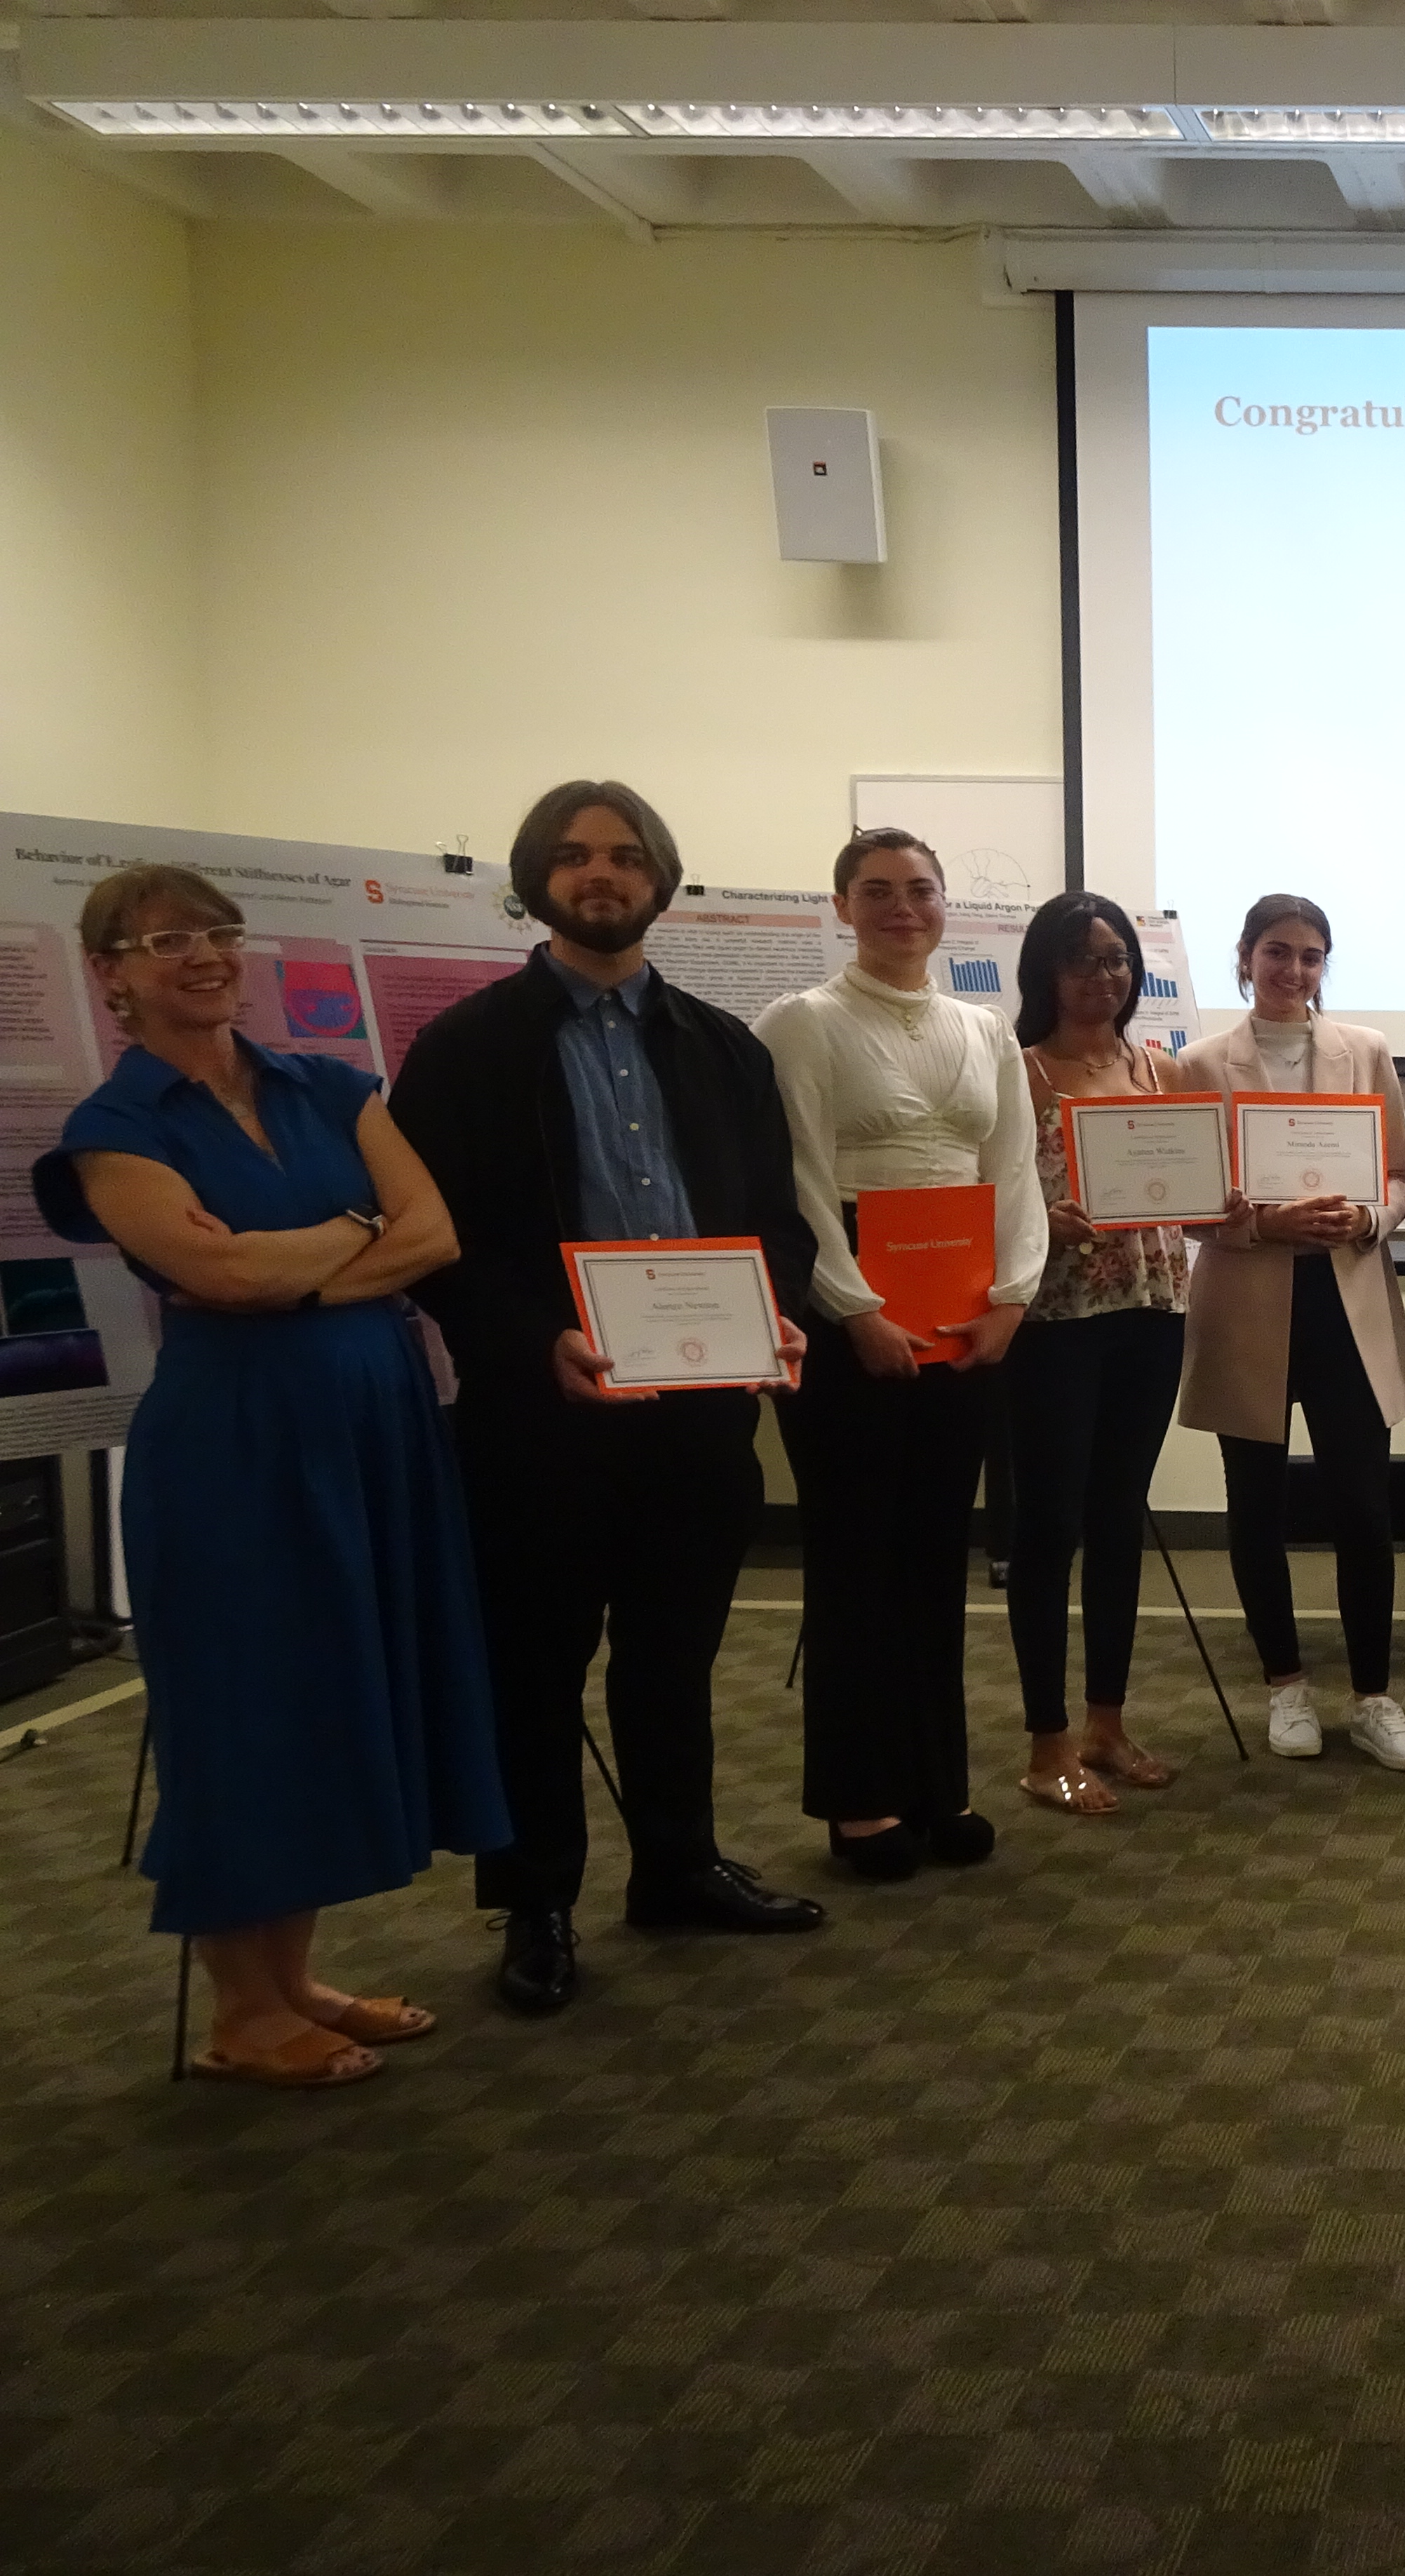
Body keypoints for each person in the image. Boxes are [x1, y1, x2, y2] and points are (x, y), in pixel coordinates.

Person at [34, 864, 506, 2086]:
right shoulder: (113, 1129)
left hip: (373, 1428)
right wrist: (357, 1238)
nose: (204, 954)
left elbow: (435, 1234)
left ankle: (293, 1979)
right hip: (235, 1447)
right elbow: (225, 1282)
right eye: (166, 939)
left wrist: (296, 1253)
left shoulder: (335, 1086)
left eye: (219, 932)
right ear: (112, 973)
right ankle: (242, 2011)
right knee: (251, 1707)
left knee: (337, 1689)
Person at [397, 781, 826, 2019]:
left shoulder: (721, 1044)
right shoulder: (468, 1047)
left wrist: (779, 1309)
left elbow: (774, 1221)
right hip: (544, 1417)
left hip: (699, 1412)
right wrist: (539, 1344)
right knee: (536, 1664)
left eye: (626, 856)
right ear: (538, 877)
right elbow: (437, 1243)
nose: (602, 874)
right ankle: (535, 1901)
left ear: (660, 877)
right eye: (577, 857)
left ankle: (677, 1866)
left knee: (674, 1652)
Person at [758, 829, 1044, 1881]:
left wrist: (1011, 1298)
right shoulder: (803, 1022)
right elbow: (794, 1175)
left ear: (943, 905)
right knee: (855, 1562)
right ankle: (860, 1801)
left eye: (919, 890)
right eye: (876, 892)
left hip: (963, 1325)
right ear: (841, 906)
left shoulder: (985, 1029)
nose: (901, 908)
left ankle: (938, 1785)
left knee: (934, 1559)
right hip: (854, 1330)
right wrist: (852, 1308)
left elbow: (1013, 1173)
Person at [1176, 894, 1405, 1771]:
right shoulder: (1201, 1064)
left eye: (1311, 956)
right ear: (1244, 957)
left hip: (1347, 1300)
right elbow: (1186, 1208)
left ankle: (1372, 1696)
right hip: (1248, 1299)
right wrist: (1264, 1226)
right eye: (1277, 953)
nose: (1294, 971)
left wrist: (1368, 1219)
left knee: (1364, 1506)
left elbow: (1402, 1175)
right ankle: (1285, 1685)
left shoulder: (1364, 1052)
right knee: (1257, 1505)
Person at [1003, 890, 1192, 1815]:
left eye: (1116, 959)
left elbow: (1189, 1191)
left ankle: (1107, 1725)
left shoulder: (1157, 1069)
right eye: (1081, 960)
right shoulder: (1020, 1069)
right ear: (1046, 971)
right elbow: (987, 1199)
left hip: (1152, 1312)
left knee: (1119, 1520)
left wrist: (1225, 1206)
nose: (1102, 977)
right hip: (1054, 1324)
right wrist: (1043, 1223)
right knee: (1048, 1533)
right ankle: (1047, 1747)